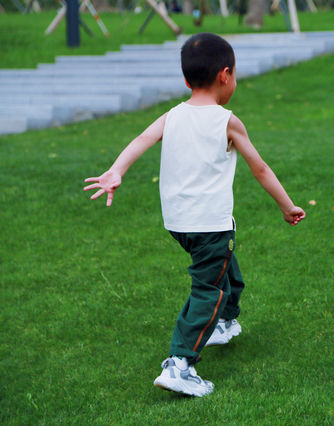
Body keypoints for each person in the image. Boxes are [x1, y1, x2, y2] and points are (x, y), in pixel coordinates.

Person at [83, 33, 306, 397]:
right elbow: (260, 168)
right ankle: (179, 364)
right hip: (209, 225)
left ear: (187, 80)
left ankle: (224, 322)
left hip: (179, 223)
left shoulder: (172, 116)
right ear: (225, 75)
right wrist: (287, 206)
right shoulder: (227, 121)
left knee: (225, 272)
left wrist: (116, 170)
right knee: (208, 290)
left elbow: (141, 140)